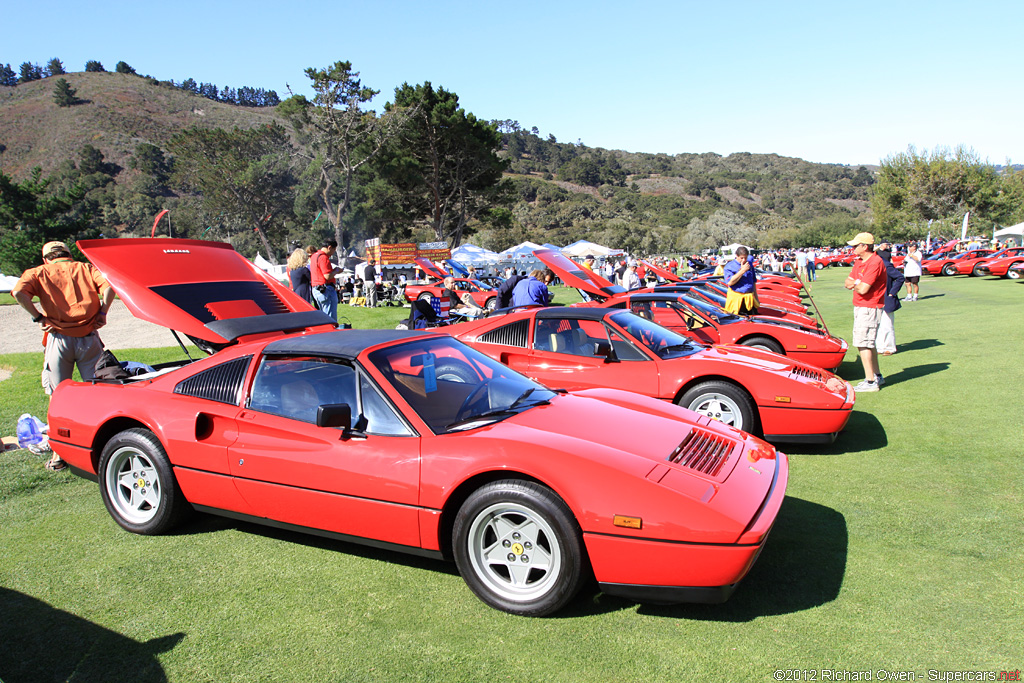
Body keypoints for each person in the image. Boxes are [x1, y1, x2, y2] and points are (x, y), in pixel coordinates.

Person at [13, 241, 116, 471]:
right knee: (99, 393)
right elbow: (110, 286)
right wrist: (102, 312)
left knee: (58, 397)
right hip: (89, 337)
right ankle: (103, 448)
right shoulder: (86, 268)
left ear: (46, 258)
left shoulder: (38, 272)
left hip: (58, 339)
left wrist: (38, 317)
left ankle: (60, 456)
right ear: (69, 255)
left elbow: (19, 292)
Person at [844, 232, 888, 392]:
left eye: (856, 245)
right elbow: (848, 282)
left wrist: (856, 283)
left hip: (870, 306)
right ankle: (877, 376)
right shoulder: (859, 262)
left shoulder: (875, 262)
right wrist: (857, 282)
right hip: (861, 306)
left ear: (864, 246)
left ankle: (870, 381)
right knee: (868, 343)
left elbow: (863, 289)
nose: (853, 248)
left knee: (863, 343)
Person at [875, 247, 905, 356]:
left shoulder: (886, 265)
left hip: (887, 299)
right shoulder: (877, 264)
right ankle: (880, 346)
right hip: (877, 299)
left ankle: (889, 347)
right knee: (878, 324)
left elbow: (900, 278)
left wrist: (893, 292)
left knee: (887, 324)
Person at [722, 247, 759, 315]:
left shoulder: (749, 264)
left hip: (749, 299)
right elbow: (730, 282)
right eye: (741, 258)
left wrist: (756, 298)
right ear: (737, 256)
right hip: (737, 300)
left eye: (745, 257)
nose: (744, 260)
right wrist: (742, 271)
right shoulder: (729, 266)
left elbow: (753, 281)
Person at [310, 239, 340, 320]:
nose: (333, 252)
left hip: (316, 289)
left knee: (323, 316)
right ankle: (331, 332)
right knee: (330, 318)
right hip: (326, 290)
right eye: (334, 249)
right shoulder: (323, 257)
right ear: (329, 247)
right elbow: (327, 276)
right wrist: (336, 271)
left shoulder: (314, 256)